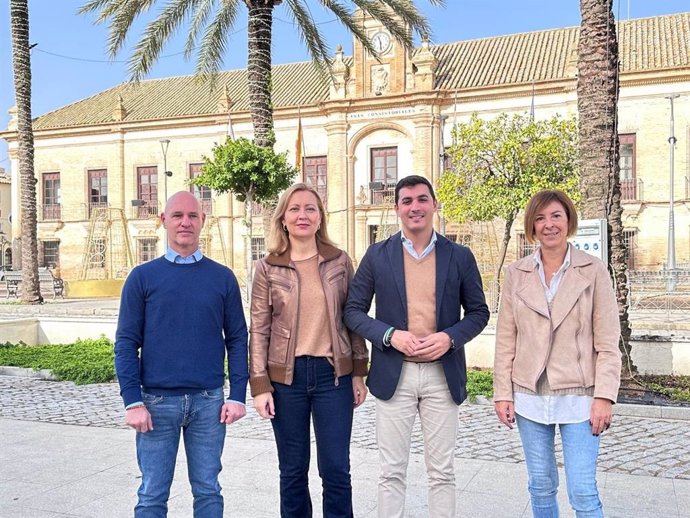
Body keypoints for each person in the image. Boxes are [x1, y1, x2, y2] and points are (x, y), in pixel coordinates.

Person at [344, 175, 490, 518]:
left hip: (443, 375)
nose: (415, 207)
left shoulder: (459, 256)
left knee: (442, 471)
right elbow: (352, 310)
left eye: (422, 199)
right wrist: (390, 335)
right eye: (406, 201)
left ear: (434, 205)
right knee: (391, 471)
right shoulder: (378, 255)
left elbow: (479, 312)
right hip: (395, 375)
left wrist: (450, 338)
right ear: (396, 209)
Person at [115, 191, 248, 518]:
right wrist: (132, 402)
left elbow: (238, 338)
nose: (185, 222)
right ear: (163, 221)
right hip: (156, 403)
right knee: (151, 494)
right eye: (177, 215)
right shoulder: (142, 278)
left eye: (192, 215)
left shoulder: (222, 278)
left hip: (209, 403)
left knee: (208, 491)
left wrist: (238, 395)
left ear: (203, 221)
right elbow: (126, 342)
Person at [493, 189, 622, 518]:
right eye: (539, 218)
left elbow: (608, 342)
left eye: (555, 216)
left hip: (581, 398)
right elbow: (506, 338)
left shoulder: (594, 271)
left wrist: (604, 396)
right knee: (540, 484)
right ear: (531, 226)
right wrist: (502, 394)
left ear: (569, 221)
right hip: (529, 397)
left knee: (583, 491)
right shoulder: (516, 273)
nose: (548, 224)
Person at [250, 183, 369, 518]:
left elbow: (353, 319)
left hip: (333, 378)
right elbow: (258, 329)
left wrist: (359, 371)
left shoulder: (340, 262)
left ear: (320, 218)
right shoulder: (267, 268)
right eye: (294, 208)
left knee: (335, 470)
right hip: (286, 381)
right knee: (291, 471)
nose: (302, 215)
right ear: (283, 219)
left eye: (310, 209)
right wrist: (260, 386)